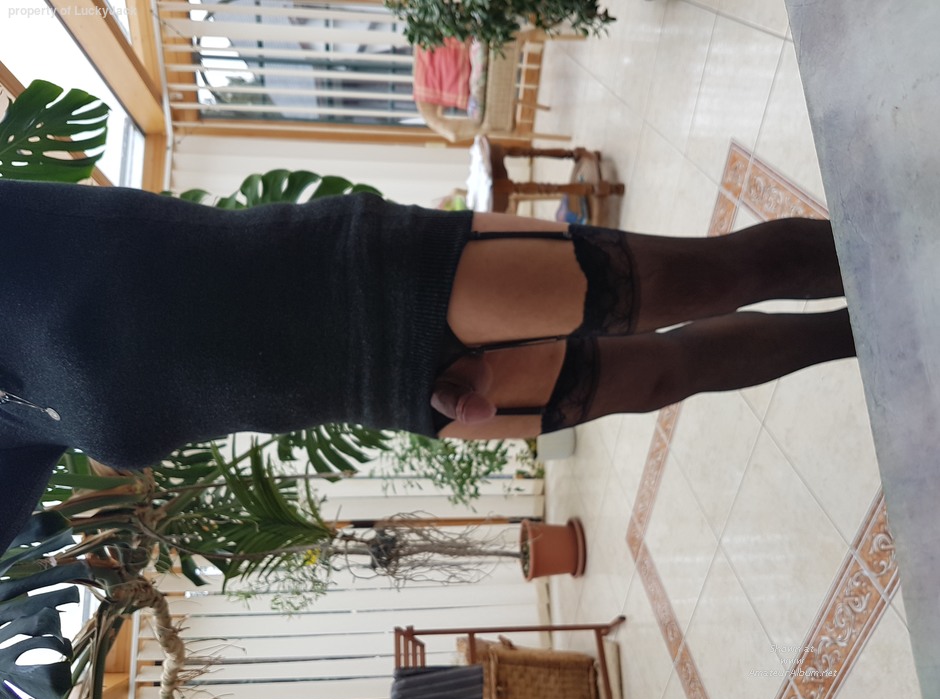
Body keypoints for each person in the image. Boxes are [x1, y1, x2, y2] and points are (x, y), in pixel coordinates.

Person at [0, 179, 853, 554]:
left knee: (703, 279)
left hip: (370, 279)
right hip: (395, 393)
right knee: (664, 374)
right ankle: (876, 338)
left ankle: (897, 250)